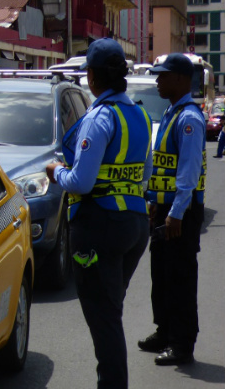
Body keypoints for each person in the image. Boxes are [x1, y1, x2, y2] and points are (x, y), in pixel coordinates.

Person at [46, 38, 153, 389]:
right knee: (111, 313)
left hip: (99, 226)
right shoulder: (139, 114)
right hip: (135, 225)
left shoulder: (99, 117)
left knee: (104, 319)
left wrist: (55, 172)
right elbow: (145, 174)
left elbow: (80, 181)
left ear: (91, 77)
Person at [138, 53, 206, 366]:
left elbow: (189, 173)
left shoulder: (188, 119)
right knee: (162, 276)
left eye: (163, 76)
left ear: (180, 79)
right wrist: (154, 201)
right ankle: (164, 332)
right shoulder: (171, 112)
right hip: (164, 208)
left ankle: (181, 345)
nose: (157, 81)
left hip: (180, 213)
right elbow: (163, 165)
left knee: (179, 279)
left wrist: (176, 212)